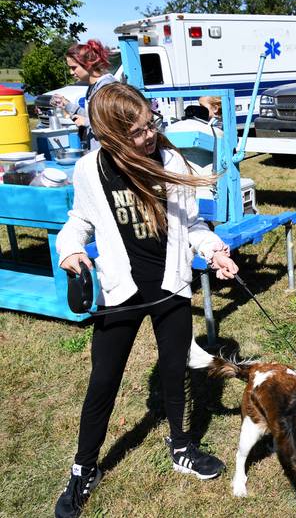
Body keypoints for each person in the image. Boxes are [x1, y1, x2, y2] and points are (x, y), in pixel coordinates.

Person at [54, 83, 239, 518]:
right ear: (111, 137)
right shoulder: (90, 170)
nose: (149, 135)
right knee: (103, 382)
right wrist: (71, 250)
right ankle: (84, 468)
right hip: (122, 294)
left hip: (171, 287)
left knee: (175, 372)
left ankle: (180, 447)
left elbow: (192, 225)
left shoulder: (169, 160)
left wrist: (212, 250)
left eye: (149, 124)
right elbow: (78, 222)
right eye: (137, 132)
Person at [49, 40, 116, 149]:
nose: (71, 73)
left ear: (88, 64)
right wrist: (66, 104)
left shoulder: (107, 88)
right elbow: (93, 116)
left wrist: (85, 122)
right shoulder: (93, 87)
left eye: (74, 67)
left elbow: (112, 124)